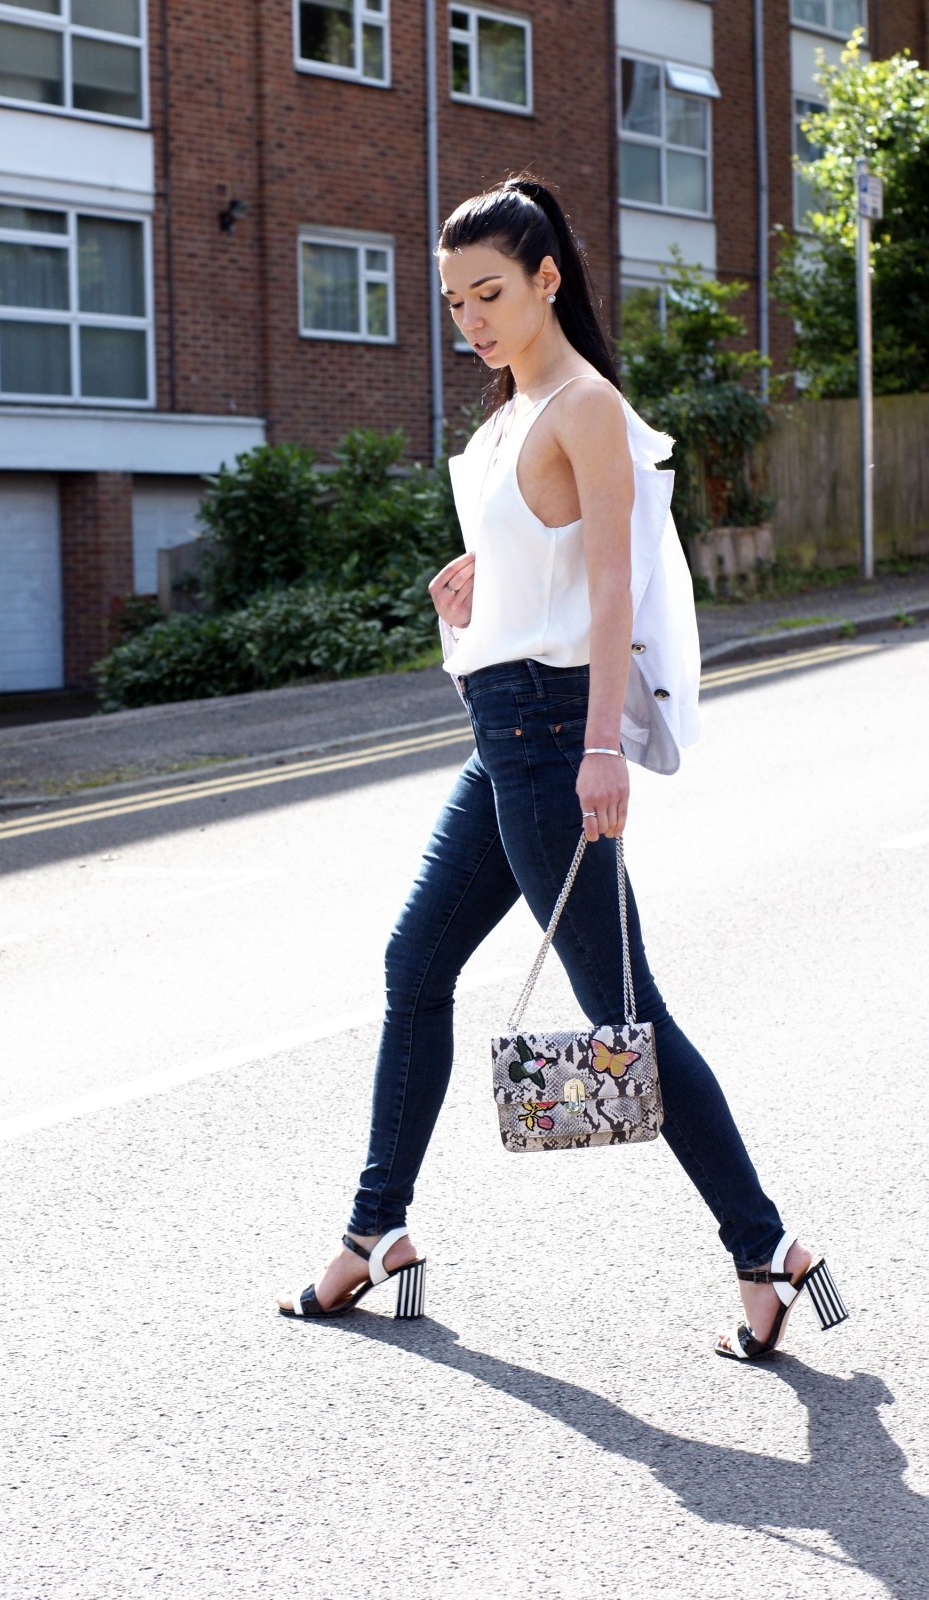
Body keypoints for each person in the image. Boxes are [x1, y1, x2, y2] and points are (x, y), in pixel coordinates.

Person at [278, 177, 848, 1360]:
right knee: (413, 962)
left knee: (617, 1007)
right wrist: (464, 595)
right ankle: (375, 1230)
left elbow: (610, 593)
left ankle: (766, 1248)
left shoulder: (583, 406)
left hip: (547, 740)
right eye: (453, 302)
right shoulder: (508, 417)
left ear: (546, 279)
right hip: (502, 738)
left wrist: (601, 748)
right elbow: (530, 583)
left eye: (488, 292)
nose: (470, 319)